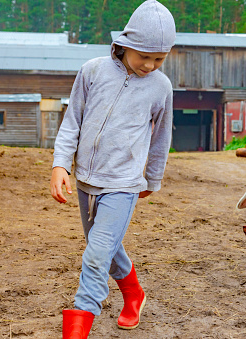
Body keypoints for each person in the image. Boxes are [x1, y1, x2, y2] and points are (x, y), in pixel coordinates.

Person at [50, 1, 176, 338]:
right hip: (85, 180)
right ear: (124, 43)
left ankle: (79, 323)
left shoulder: (161, 87)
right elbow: (72, 121)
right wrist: (60, 163)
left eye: (159, 59)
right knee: (103, 245)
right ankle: (134, 293)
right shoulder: (92, 70)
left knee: (94, 256)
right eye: (143, 56)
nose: (150, 65)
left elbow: (162, 138)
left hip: (123, 184)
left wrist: (153, 178)